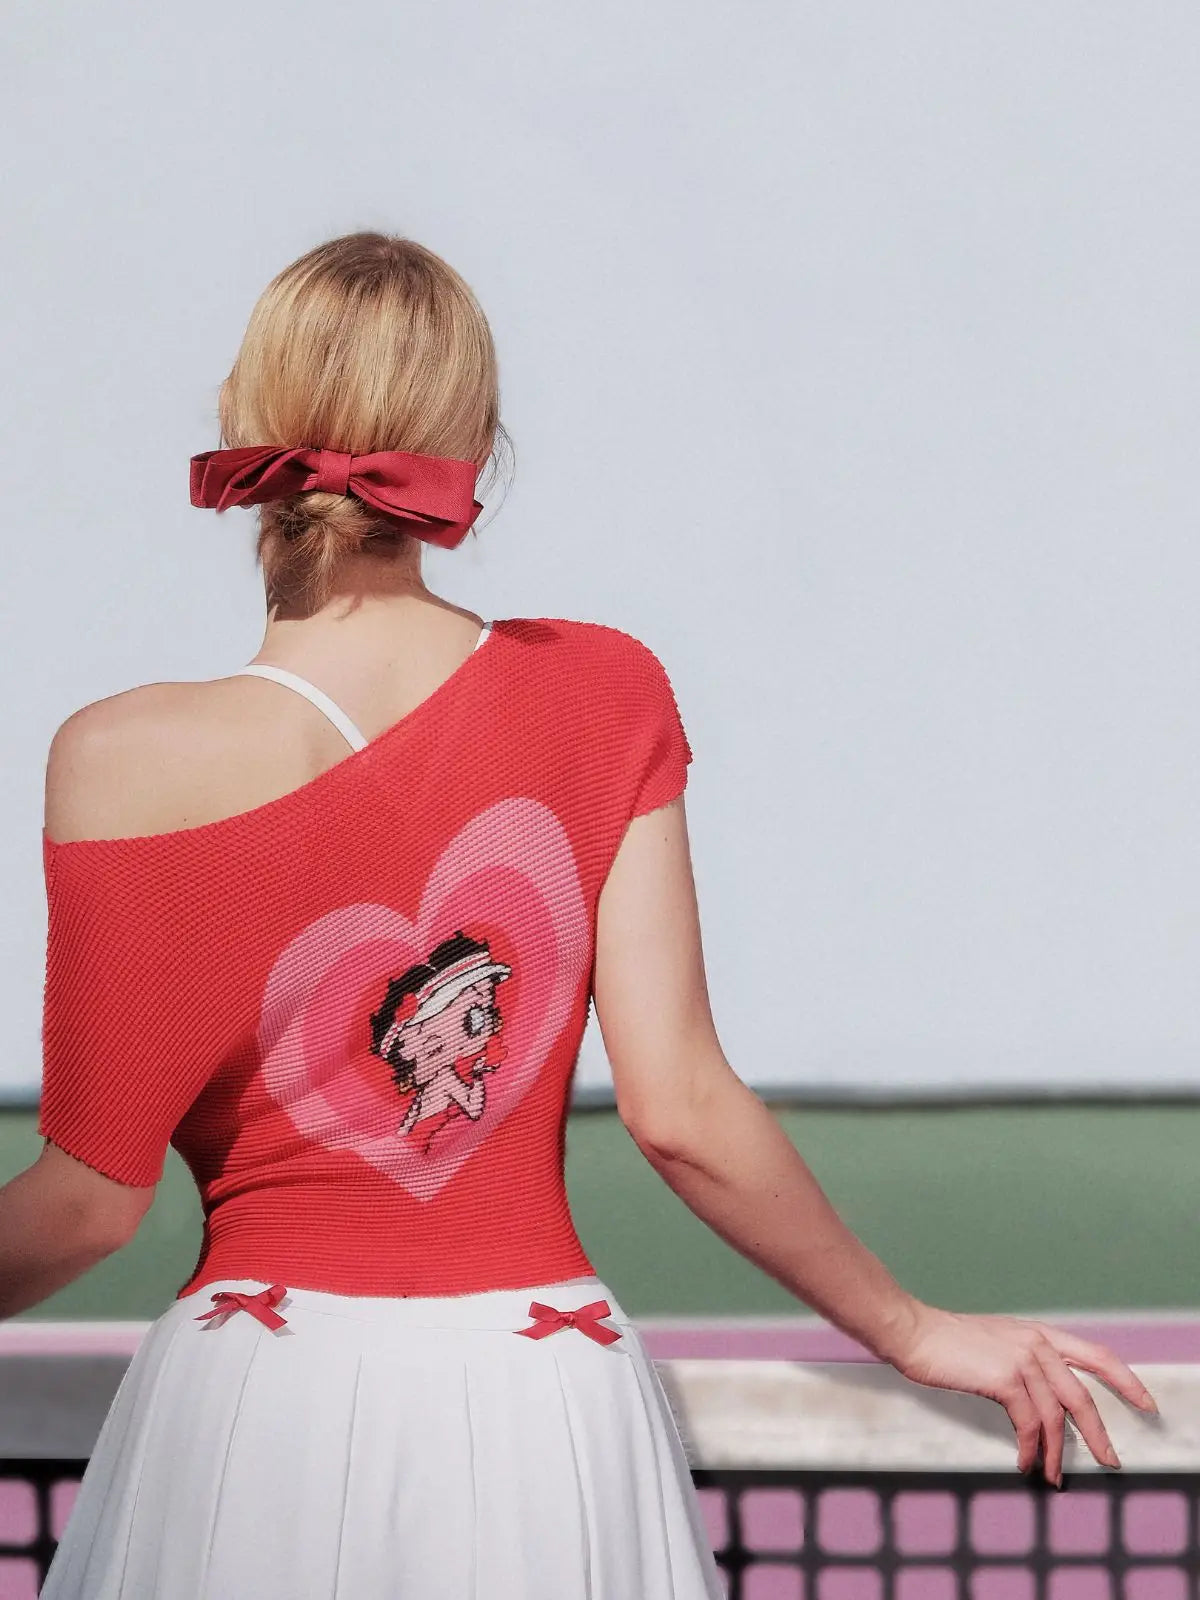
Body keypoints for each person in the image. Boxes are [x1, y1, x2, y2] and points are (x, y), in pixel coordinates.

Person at [5, 231, 1156, 1600]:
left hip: (258, 1404)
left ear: (238, 434)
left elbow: (83, 1207)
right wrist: (908, 1327)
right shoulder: (600, 694)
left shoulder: (120, 757)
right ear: (475, 453)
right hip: (535, 1398)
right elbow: (680, 1108)